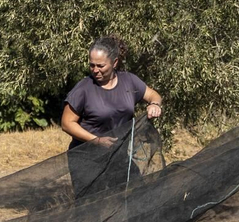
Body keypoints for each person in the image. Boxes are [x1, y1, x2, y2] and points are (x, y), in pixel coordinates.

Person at [60, 36, 163, 198]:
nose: (95, 70)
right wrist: (97, 140)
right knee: (93, 206)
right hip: (87, 159)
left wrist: (155, 104)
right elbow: (67, 123)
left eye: (100, 66)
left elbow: (152, 94)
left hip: (118, 156)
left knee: (136, 196)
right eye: (91, 65)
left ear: (114, 63)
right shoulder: (83, 89)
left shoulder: (129, 81)